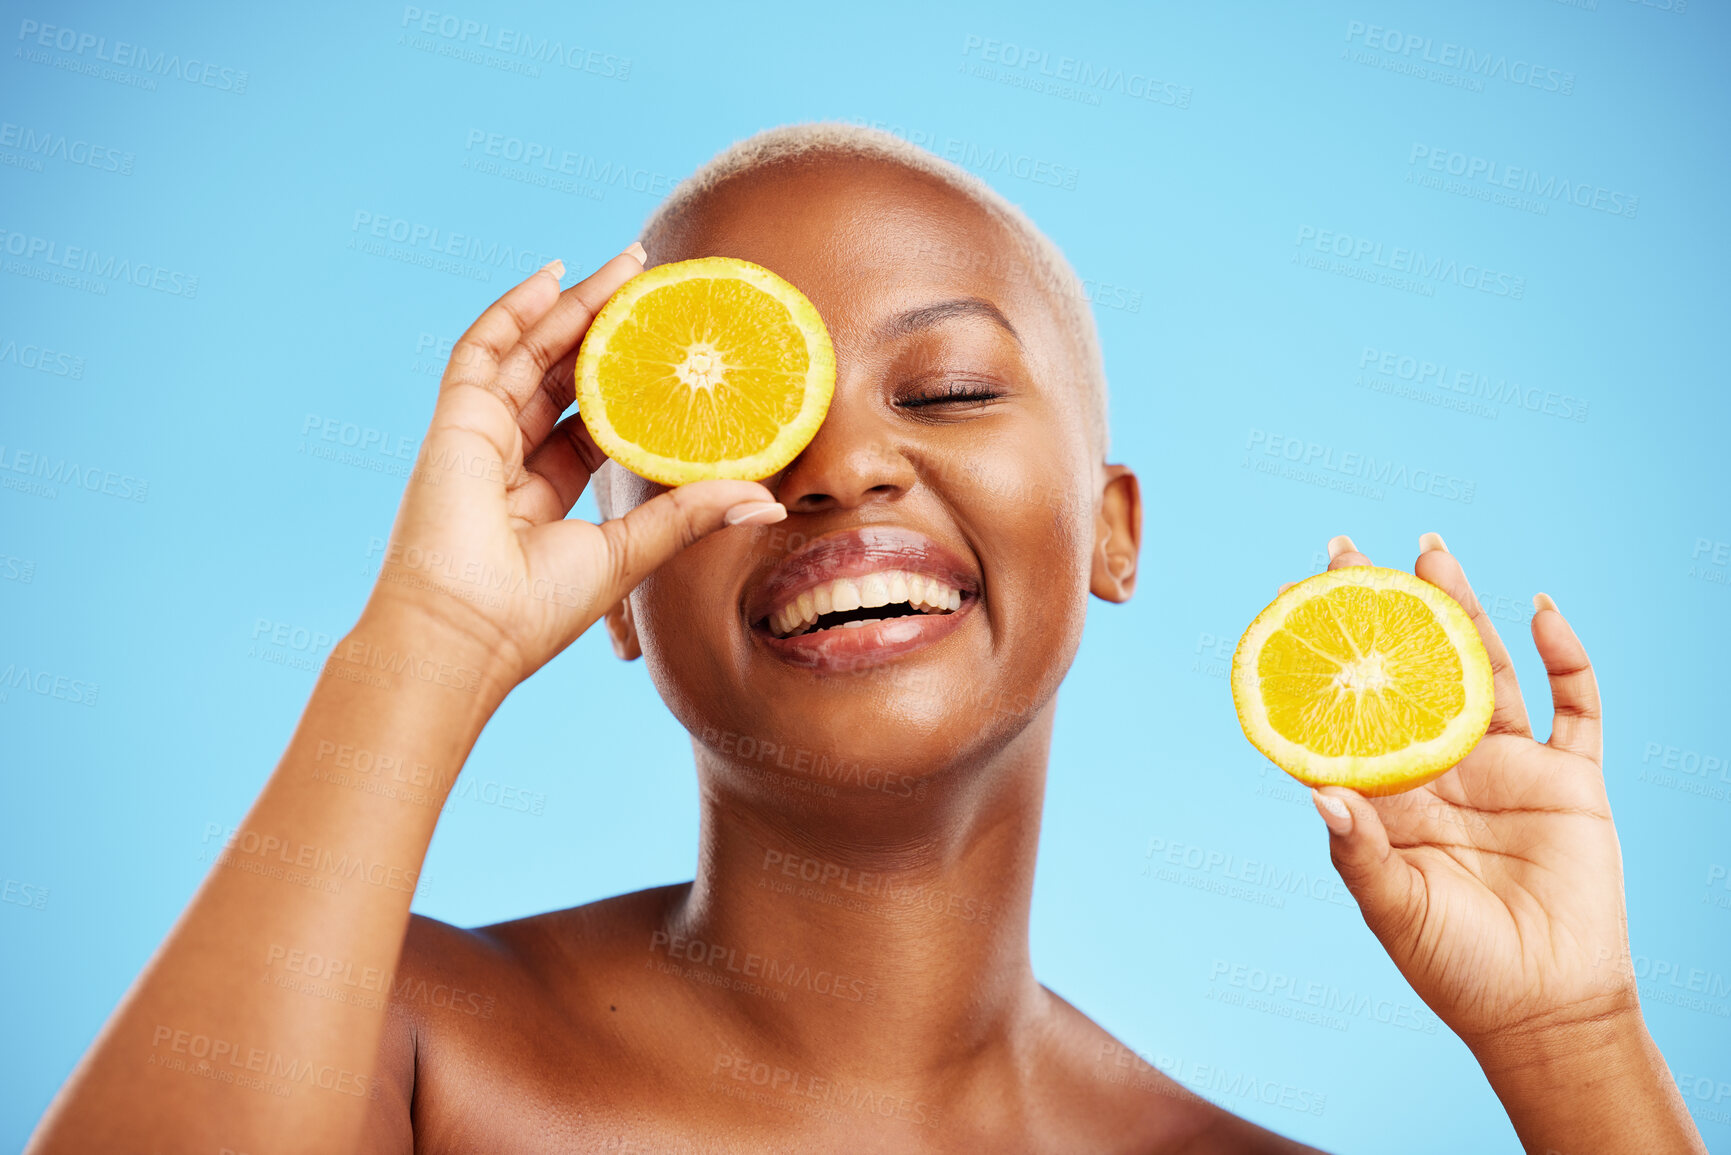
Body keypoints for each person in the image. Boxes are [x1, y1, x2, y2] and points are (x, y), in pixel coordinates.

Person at [27, 124, 1706, 1154]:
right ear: (614, 578)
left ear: (1115, 531)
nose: (840, 465)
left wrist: (1574, 1057)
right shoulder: (399, 1048)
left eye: (952, 387)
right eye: (742, 428)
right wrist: (424, 644)